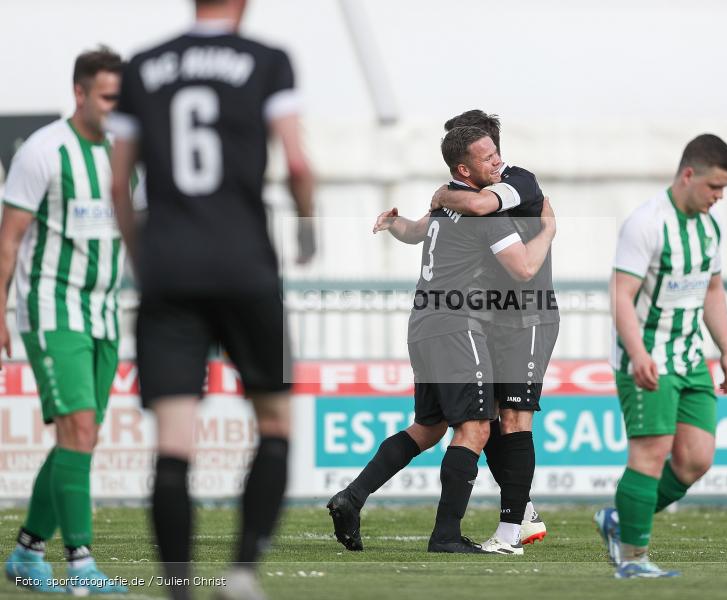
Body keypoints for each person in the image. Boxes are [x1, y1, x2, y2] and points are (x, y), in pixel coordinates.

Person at [108, 0, 315, 598]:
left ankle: (179, 589)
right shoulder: (268, 60)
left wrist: (143, 258)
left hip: (169, 270)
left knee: (173, 438)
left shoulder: (142, 65)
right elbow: (297, 163)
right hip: (247, 265)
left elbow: (119, 182)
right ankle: (241, 573)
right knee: (274, 420)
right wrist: (307, 231)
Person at [328, 125, 555, 554]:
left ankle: (352, 497)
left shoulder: (443, 205)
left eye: (497, 153)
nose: (498, 162)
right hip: (458, 325)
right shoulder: (483, 212)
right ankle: (447, 536)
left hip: (423, 325)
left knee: (428, 428)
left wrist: (394, 222)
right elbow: (524, 269)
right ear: (463, 169)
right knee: (476, 428)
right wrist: (547, 231)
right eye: (488, 157)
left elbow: (415, 231)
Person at [0, 47, 129, 595]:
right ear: (80, 93)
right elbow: (9, 239)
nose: (115, 106)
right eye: (106, 97)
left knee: (84, 435)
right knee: (77, 427)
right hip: (52, 309)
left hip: (105, 312)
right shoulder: (43, 151)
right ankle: (81, 564)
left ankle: (27, 552)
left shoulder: (126, 152)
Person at [595, 134, 727, 578]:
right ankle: (632, 558)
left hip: (690, 357)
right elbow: (621, 295)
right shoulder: (646, 223)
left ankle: (619, 519)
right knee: (650, 453)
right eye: (714, 187)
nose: (719, 196)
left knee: (696, 459)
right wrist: (638, 352)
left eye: (724, 189)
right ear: (688, 175)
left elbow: (712, 290)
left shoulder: (709, 228)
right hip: (648, 357)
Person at [431, 110, 558, 551]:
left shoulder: (517, 181)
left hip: (530, 316)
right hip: (494, 317)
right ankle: (524, 513)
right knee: (487, 420)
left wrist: (444, 194)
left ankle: (510, 534)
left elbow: (481, 205)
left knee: (515, 420)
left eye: (486, 151)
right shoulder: (468, 191)